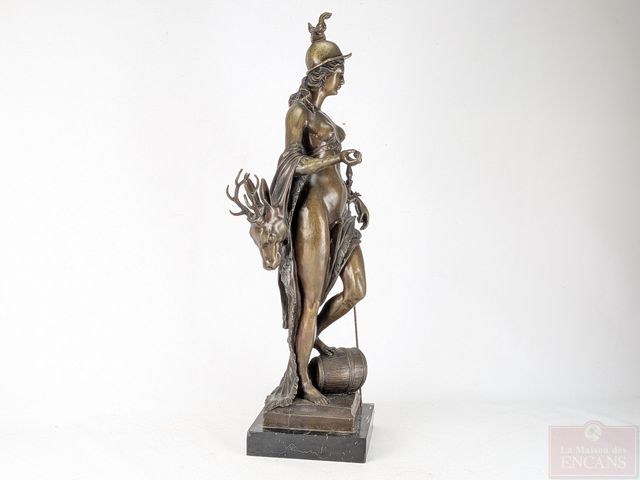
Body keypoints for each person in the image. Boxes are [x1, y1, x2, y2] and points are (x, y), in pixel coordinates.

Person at [265, 13, 370, 409]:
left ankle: (306, 342)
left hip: (339, 215)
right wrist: (335, 157)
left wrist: (353, 196)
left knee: (356, 290)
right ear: (321, 75)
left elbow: (332, 170)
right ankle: (302, 380)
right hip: (312, 214)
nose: (341, 80)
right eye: (338, 72)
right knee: (310, 301)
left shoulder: (324, 117)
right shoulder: (299, 114)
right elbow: (291, 162)